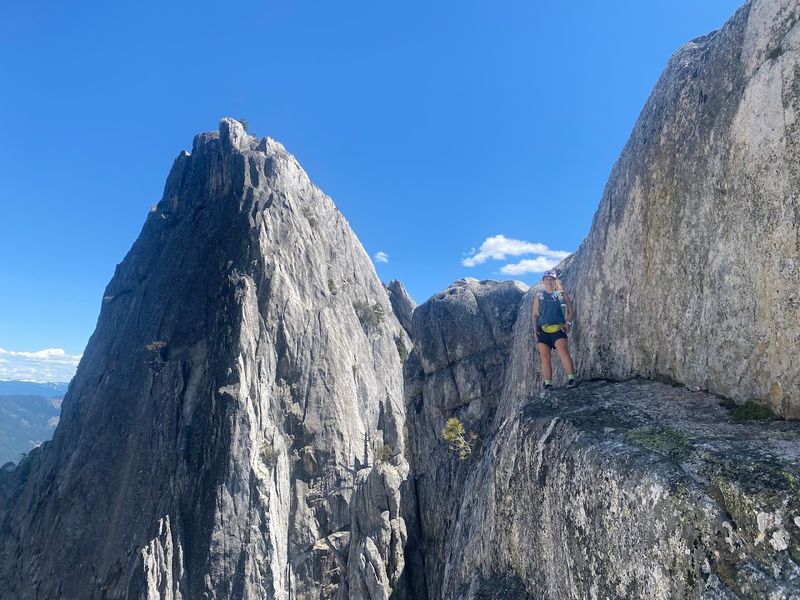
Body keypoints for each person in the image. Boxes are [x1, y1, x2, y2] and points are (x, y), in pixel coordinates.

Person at [532, 269, 576, 390]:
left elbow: (571, 311)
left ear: (555, 281)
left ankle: (571, 379)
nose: (549, 281)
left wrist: (568, 323)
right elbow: (535, 315)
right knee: (545, 357)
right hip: (543, 330)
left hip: (558, 328)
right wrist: (535, 330)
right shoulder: (539, 296)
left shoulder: (562, 295)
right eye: (547, 279)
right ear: (543, 281)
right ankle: (548, 384)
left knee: (564, 353)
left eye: (551, 279)